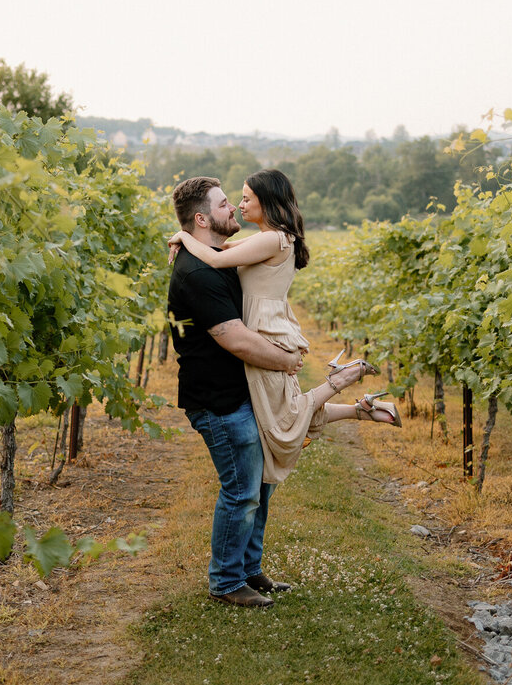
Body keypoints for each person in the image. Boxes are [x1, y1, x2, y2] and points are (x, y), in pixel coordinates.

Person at [167, 176, 370, 609]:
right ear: (202, 218)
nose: (234, 209)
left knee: (260, 485)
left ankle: (248, 569)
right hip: (217, 399)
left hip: (240, 390)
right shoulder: (196, 272)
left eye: (238, 200)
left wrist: (184, 237)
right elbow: (236, 339)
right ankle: (225, 582)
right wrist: (285, 360)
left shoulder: (218, 255)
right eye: (226, 204)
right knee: (242, 489)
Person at [169, 169, 400, 487]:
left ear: (266, 201)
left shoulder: (273, 238)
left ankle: (343, 380)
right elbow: (223, 250)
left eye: (246, 198)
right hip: (268, 326)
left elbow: (216, 258)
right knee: (280, 412)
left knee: (285, 414)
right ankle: (360, 408)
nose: (238, 205)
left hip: (267, 330)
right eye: (232, 201)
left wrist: (183, 237)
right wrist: (190, 239)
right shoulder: (269, 238)